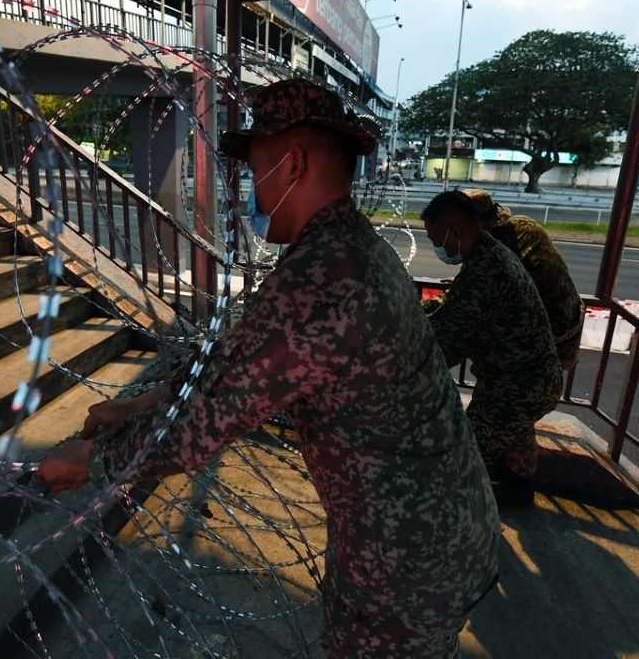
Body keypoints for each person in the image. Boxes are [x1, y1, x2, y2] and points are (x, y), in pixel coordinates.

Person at [38, 79, 499, 659]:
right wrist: (138, 404)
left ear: (293, 165)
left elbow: (200, 427)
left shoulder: (322, 278)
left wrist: (94, 459)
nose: (249, 191)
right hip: (433, 534)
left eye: (255, 171)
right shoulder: (351, 249)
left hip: (403, 567)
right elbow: (237, 364)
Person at [420, 189, 562, 498]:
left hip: (516, 387)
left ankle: (465, 511)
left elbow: (447, 342)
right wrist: (417, 311)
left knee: (463, 455)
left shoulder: (485, 272)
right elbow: (453, 306)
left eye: (436, 240)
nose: (438, 249)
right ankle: (517, 484)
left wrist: (399, 360)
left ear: (455, 232)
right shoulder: (492, 253)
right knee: (515, 428)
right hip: (534, 378)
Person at [461, 189, 585, 370]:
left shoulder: (498, 248)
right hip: (569, 318)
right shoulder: (524, 225)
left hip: (545, 330)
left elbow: (490, 285)